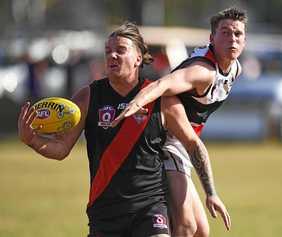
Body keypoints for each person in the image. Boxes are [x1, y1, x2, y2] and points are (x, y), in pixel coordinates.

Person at [18, 22, 230, 237]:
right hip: (104, 211)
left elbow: (193, 144)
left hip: (149, 209)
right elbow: (61, 148)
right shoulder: (88, 96)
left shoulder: (161, 99)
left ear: (139, 58)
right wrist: (33, 140)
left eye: (121, 50)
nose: (112, 56)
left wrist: (211, 192)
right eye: (108, 51)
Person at [112, 7, 247, 237]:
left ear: (244, 40)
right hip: (163, 141)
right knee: (185, 226)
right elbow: (162, 85)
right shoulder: (202, 71)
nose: (232, 39)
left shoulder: (235, 69)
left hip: (183, 143)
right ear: (212, 38)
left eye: (238, 34)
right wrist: (133, 105)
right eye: (225, 32)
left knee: (201, 231)